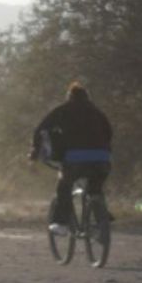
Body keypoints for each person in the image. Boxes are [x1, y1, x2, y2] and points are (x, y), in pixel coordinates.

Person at [29, 83, 113, 236]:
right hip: (102, 159)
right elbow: (109, 133)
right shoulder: (97, 112)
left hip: (75, 159)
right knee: (95, 188)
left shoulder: (63, 110)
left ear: (69, 97)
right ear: (87, 98)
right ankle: (101, 220)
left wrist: (34, 155)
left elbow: (41, 129)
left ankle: (61, 223)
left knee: (64, 186)